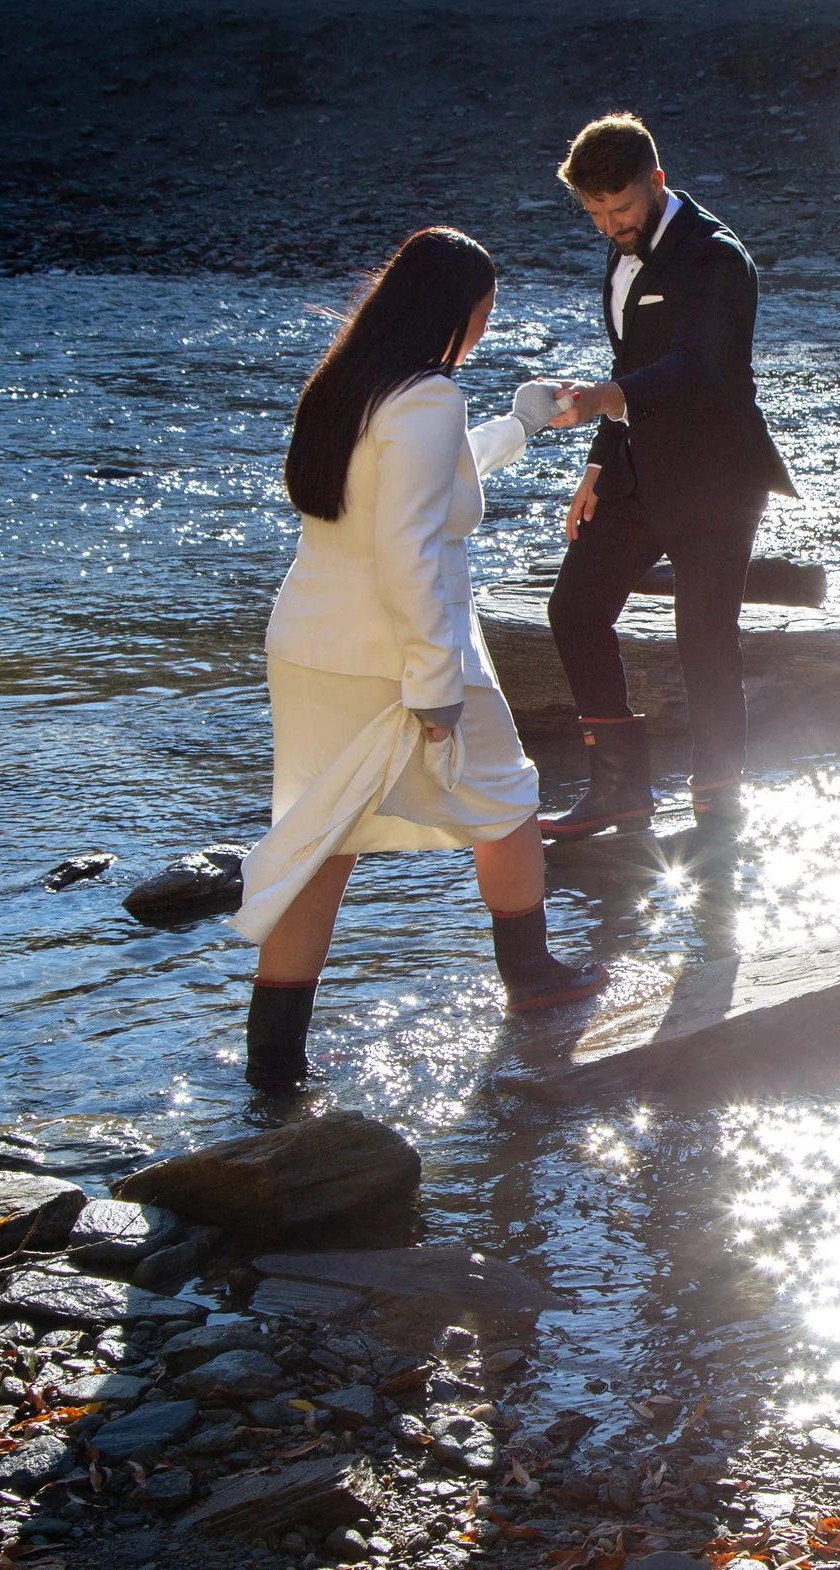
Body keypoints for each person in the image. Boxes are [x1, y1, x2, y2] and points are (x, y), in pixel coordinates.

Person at [241, 227, 604, 1093]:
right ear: (457, 312)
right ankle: (531, 976)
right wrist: (435, 687)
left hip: (309, 645)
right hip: (402, 649)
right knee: (509, 794)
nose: (482, 328)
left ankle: (274, 1061)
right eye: (484, 313)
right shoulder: (427, 397)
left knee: (317, 838)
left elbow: (421, 481)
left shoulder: (348, 386)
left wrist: (518, 422)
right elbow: (408, 548)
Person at [538, 112, 797, 841]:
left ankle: (718, 805)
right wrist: (596, 461)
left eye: (620, 208)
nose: (610, 224)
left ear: (657, 181)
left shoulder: (717, 258)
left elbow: (700, 366)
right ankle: (620, 789)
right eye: (594, 213)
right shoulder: (622, 253)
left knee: (704, 637)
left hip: (718, 477)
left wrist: (604, 399)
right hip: (636, 470)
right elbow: (630, 364)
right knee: (574, 609)